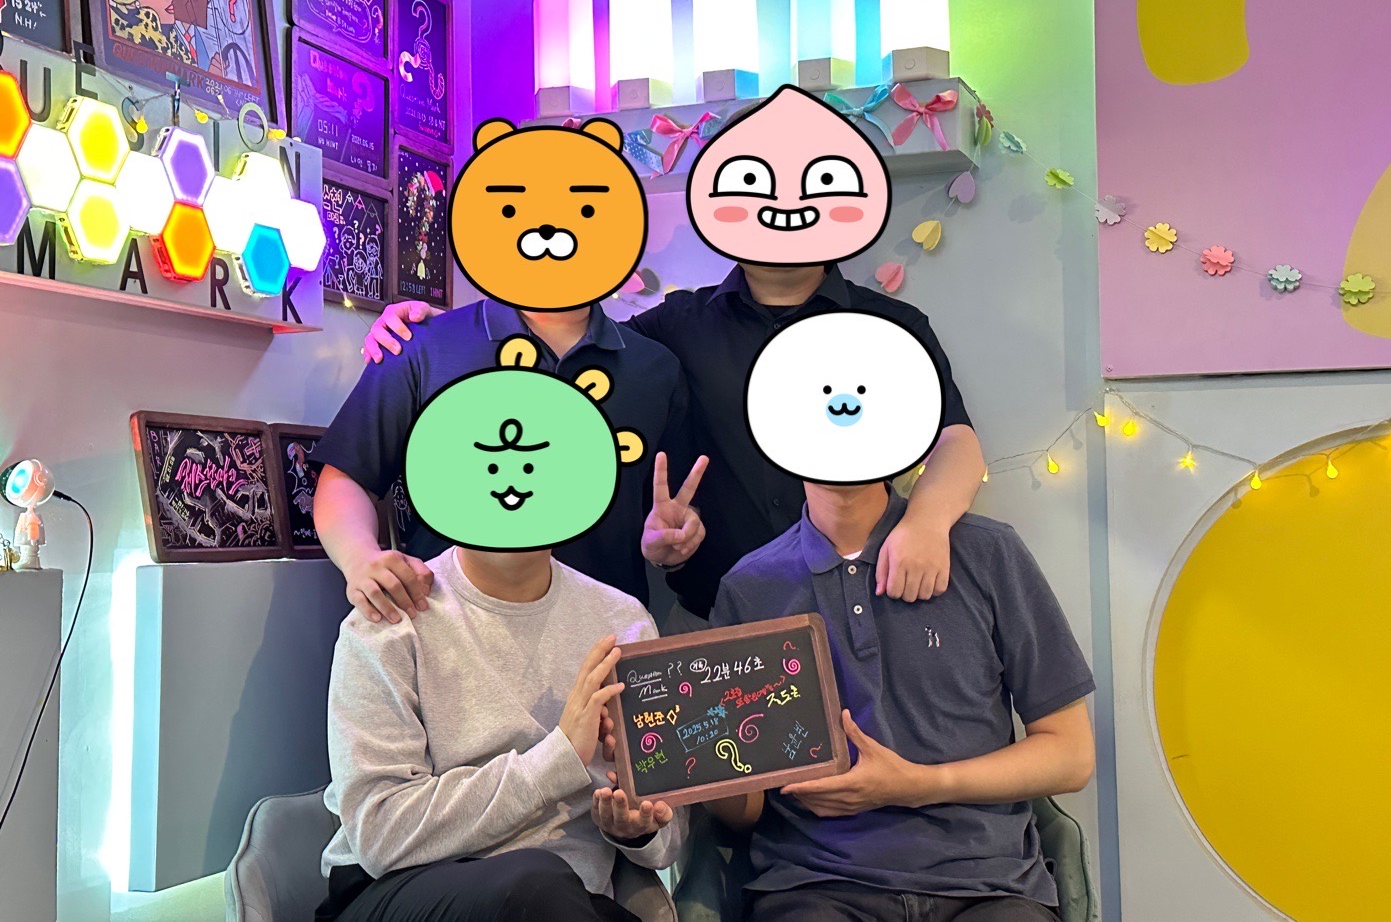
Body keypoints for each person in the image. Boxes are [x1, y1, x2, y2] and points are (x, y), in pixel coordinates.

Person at [363, 86, 986, 632]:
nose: (784, 203)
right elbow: (565, 330)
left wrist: (926, 524)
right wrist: (429, 325)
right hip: (720, 616)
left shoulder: (892, 327)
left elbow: (957, 442)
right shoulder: (672, 328)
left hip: (870, 597)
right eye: (752, 180)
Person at [703, 313, 1095, 922]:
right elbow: (745, 807)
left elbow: (1071, 756)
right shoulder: (749, 589)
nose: (840, 412)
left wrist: (920, 784)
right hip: (815, 884)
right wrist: (690, 759)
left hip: (989, 885)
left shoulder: (989, 554)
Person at [317, 336, 685, 922]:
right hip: (399, 891)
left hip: (570, 902)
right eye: (489, 464)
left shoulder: (623, 622)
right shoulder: (392, 617)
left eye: (536, 465)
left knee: (556, 892)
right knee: (536, 883)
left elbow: (667, 839)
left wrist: (637, 828)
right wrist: (559, 757)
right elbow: (380, 835)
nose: (513, 484)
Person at [313, 118, 700, 624]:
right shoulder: (424, 345)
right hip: (444, 629)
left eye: (584, 209)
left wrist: (671, 543)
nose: (550, 230)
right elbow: (347, 475)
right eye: (514, 208)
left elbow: (674, 507)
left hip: (603, 635)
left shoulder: (655, 369)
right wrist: (361, 558)